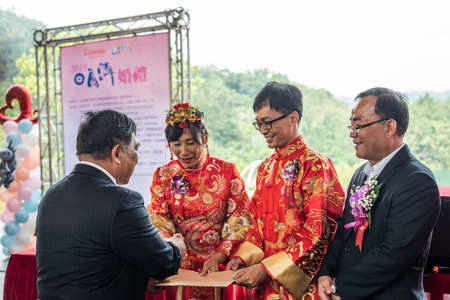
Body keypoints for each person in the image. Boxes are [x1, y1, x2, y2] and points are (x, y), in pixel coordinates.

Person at [36, 110, 185, 300]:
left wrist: (138, 278)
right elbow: (163, 262)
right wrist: (175, 246)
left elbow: (89, 265)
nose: (137, 158)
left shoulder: (51, 195)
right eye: (135, 149)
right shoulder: (122, 201)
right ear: (117, 153)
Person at [317, 87, 441, 300]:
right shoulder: (360, 175)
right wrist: (325, 273)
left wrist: (341, 288)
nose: (352, 132)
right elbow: (344, 232)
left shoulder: (418, 181)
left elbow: (394, 254)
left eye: (359, 125)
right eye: (351, 125)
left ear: (389, 127)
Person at [227, 81, 345, 299]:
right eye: (259, 124)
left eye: (268, 123)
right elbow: (256, 223)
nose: (263, 131)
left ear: (293, 118)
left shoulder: (316, 165)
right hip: (266, 283)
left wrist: (266, 268)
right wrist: (241, 258)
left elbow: (317, 233)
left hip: (302, 287)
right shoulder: (265, 167)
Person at [148, 102, 252, 300]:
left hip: (217, 267)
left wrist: (218, 256)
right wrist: (173, 250)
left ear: (204, 138)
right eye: (176, 144)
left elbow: (239, 220)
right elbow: (159, 220)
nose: (184, 151)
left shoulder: (227, 171)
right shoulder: (163, 175)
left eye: (190, 142)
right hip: (178, 267)